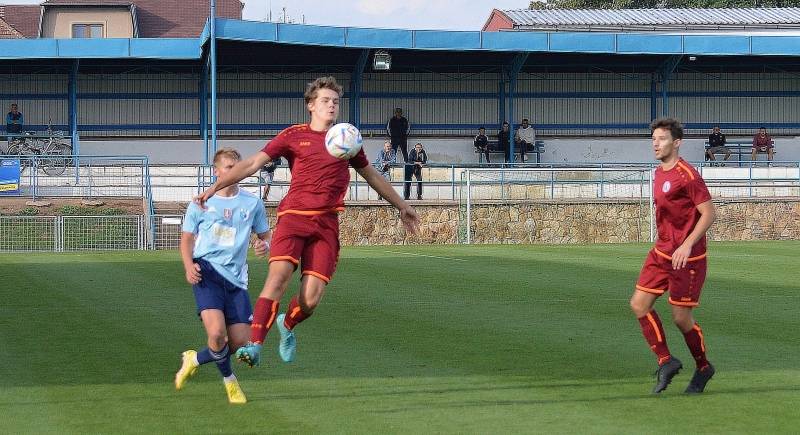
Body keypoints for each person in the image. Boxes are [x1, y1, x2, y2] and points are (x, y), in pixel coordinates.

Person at [194, 76, 420, 368]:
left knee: (310, 301)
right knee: (277, 278)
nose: (332, 106)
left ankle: (287, 324)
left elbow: (373, 176)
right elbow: (251, 164)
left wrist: (401, 205)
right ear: (311, 105)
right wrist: (214, 187)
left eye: (336, 102)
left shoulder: (348, 139)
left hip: (326, 225)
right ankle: (255, 345)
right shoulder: (292, 136)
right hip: (293, 219)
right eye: (326, 101)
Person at [175, 147, 272, 404]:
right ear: (216, 171)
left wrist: (264, 246)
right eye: (228, 167)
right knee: (217, 334)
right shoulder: (201, 203)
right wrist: (188, 265)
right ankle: (231, 384)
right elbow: (186, 240)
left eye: (237, 167)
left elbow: (265, 237)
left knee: (241, 342)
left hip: (237, 280)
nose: (234, 172)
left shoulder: (253, 203)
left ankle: (194, 359)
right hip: (206, 273)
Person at [630, 118, 716, 394]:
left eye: (662, 139)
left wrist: (688, 244)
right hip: (661, 251)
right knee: (639, 305)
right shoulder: (658, 173)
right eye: (653, 138)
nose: (656, 143)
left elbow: (709, 213)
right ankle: (666, 361)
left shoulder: (687, 175)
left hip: (686, 258)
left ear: (677, 142)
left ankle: (703, 367)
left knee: (681, 318)